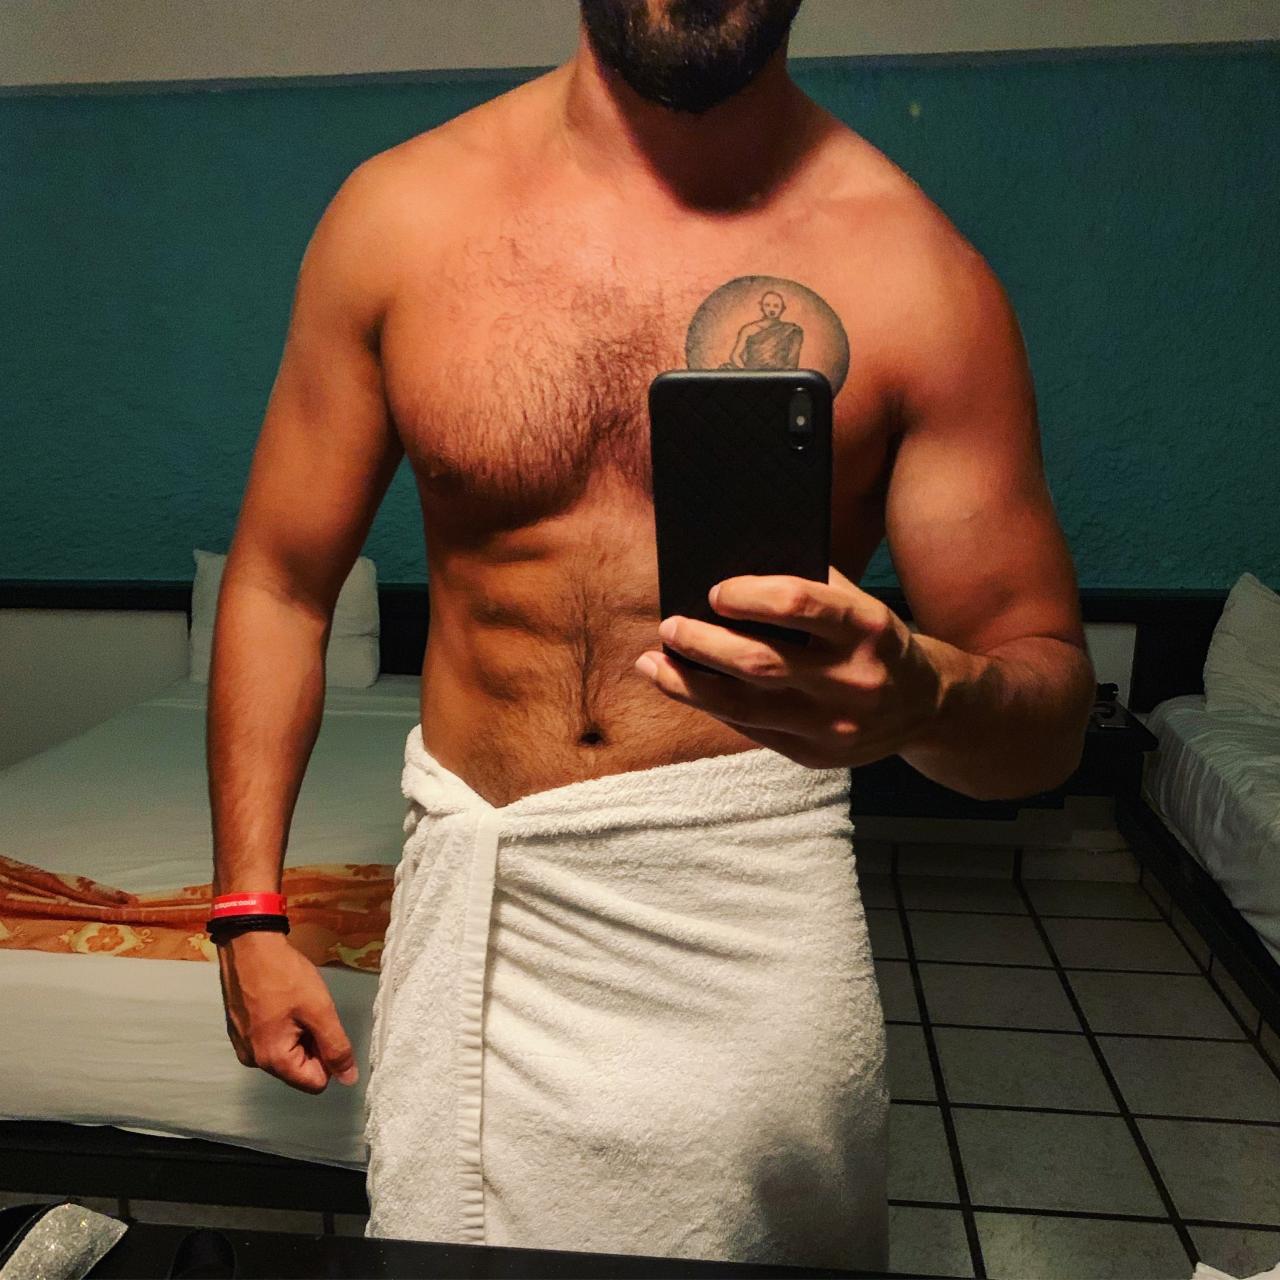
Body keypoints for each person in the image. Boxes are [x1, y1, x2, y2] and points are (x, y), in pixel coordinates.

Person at [209, 0, 1096, 1268]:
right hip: (483, 897)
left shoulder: (916, 275)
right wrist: (246, 909)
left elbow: (1047, 713)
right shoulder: (401, 217)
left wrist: (927, 700)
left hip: (745, 916)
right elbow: (280, 585)